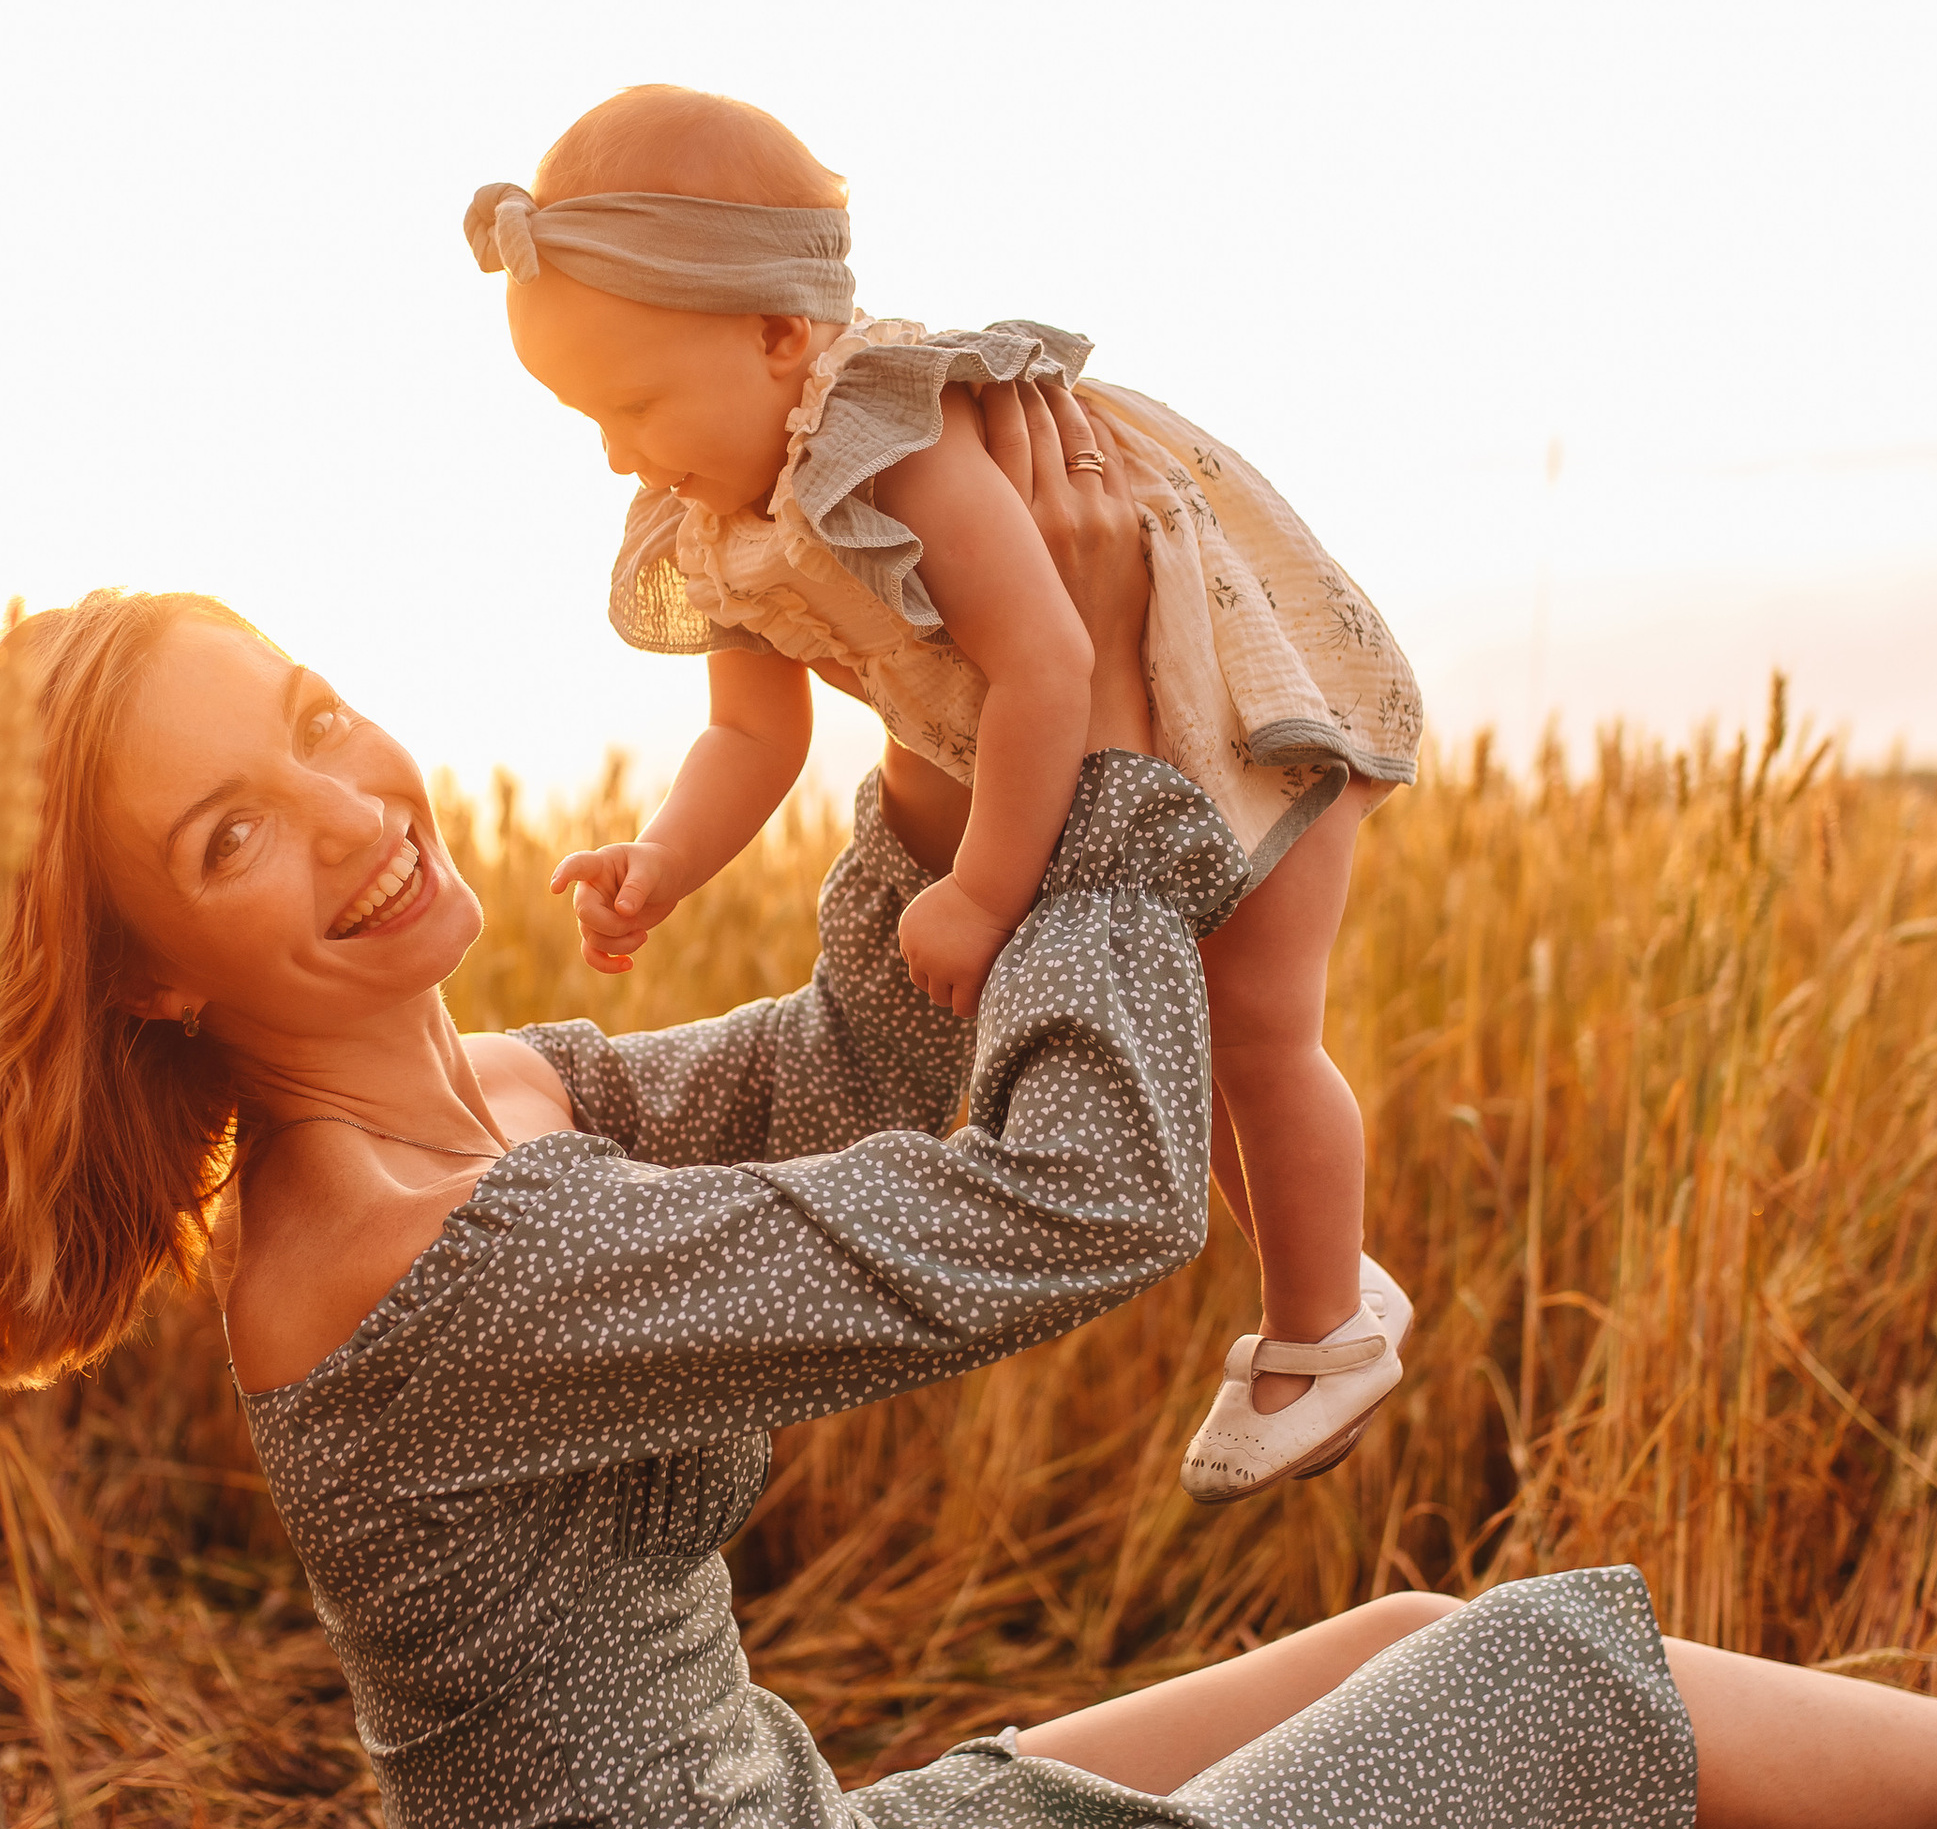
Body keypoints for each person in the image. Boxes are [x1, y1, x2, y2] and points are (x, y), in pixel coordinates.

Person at [0, 412, 1937, 1829]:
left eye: (322, 721)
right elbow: (1078, 1200)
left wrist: (951, 685)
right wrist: (1106, 765)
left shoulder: (511, 1104)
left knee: (1403, 1647)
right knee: (1522, 1686)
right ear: (151, 970)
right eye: (234, 833)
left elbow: (843, 1060)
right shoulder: (414, 1265)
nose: (355, 808)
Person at [468, 80, 1425, 1501]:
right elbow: (753, 733)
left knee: (1259, 1026)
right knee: (1205, 1031)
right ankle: (1323, 1256)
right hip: (1071, 749)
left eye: (634, 402)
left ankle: (1323, 1328)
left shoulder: (894, 438)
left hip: (1222, 704)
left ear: (784, 336)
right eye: (584, 418)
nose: (617, 451)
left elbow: (1048, 660)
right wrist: (663, 859)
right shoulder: (712, 506)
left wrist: (983, 892)